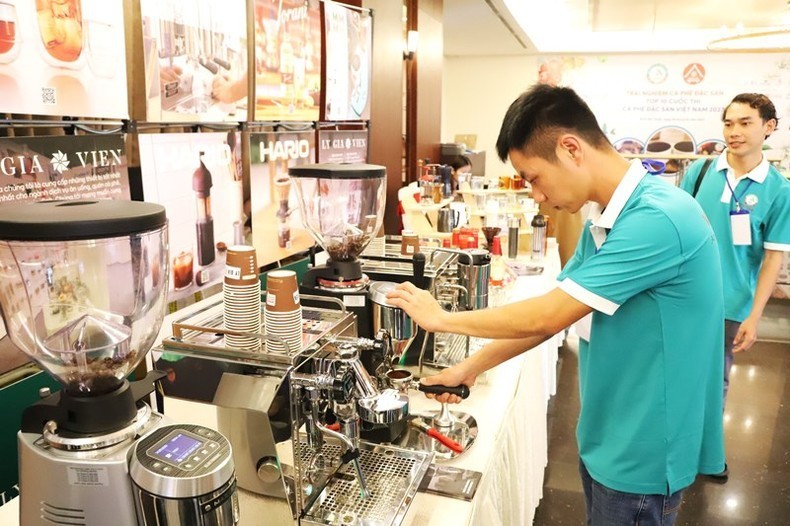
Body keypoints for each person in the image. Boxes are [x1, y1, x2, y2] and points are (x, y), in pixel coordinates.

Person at [387, 84, 725, 526]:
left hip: (644, 448)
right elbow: (555, 318)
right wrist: (469, 368)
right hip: (610, 430)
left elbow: (547, 314)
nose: (536, 196)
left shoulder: (657, 219)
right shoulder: (608, 220)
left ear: (570, 148)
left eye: (533, 178)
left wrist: (443, 319)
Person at [679, 93, 790, 477]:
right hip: (684, 298)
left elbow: (773, 257)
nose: (735, 131)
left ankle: (705, 454)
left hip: (731, 302)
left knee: (715, 382)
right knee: (676, 374)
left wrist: (755, 316)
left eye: (745, 123)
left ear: (768, 127)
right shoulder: (701, 173)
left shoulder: (779, 190)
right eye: (729, 123)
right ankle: (674, 445)